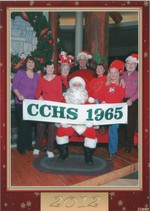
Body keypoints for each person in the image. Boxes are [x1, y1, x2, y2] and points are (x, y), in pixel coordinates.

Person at [56, 76, 97, 165]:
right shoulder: (66, 97)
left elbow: (93, 111)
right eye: (75, 84)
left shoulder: (87, 98)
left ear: (82, 86)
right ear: (71, 85)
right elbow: (60, 109)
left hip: (83, 123)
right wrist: (63, 120)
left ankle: (88, 156)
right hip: (69, 122)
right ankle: (64, 153)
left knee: (91, 134)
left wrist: (90, 121)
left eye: (79, 84)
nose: (77, 86)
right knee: (61, 132)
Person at [33, 62, 62, 158]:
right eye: (48, 67)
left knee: (52, 128)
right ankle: (37, 147)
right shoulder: (41, 80)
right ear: (45, 68)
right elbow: (37, 94)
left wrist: (55, 105)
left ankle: (50, 149)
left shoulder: (58, 79)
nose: (50, 69)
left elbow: (59, 94)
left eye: (52, 67)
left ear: (54, 69)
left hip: (53, 107)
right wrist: (39, 97)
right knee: (40, 126)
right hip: (44, 108)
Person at [12, 55, 40, 154]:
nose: (30, 64)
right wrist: (18, 95)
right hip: (21, 103)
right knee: (23, 124)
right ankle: (21, 147)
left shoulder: (37, 75)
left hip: (33, 104)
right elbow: (14, 87)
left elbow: (39, 90)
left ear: (35, 64)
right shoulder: (20, 73)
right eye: (29, 62)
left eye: (32, 62)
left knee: (30, 125)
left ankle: (28, 144)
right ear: (26, 63)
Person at [101, 60, 126, 160]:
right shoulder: (105, 84)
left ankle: (112, 151)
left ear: (118, 73)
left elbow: (120, 98)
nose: (113, 74)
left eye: (115, 72)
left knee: (113, 129)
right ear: (109, 74)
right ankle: (101, 124)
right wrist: (102, 100)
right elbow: (101, 95)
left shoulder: (121, 84)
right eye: (111, 72)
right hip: (105, 108)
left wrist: (109, 104)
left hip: (114, 111)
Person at [118, 54, 138, 153]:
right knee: (121, 123)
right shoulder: (122, 75)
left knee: (130, 124)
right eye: (128, 64)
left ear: (135, 65)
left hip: (133, 102)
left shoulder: (139, 75)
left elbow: (140, 90)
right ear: (125, 65)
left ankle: (128, 145)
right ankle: (121, 142)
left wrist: (132, 100)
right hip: (122, 101)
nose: (130, 66)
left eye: (133, 64)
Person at [88, 63, 107, 133]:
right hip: (93, 101)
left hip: (102, 101)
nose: (99, 70)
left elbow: (107, 90)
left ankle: (102, 126)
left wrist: (105, 100)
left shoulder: (106, 79)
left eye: (101, 68)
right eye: (97, 68)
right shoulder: (93, 80)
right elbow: (89, 90)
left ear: (104, 70)